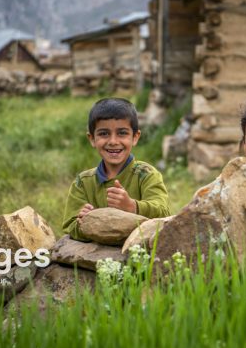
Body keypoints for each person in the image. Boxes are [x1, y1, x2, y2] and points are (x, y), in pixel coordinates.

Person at [62, 97, 171, 241]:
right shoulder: (83, 182)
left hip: (138, 253)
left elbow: (164, 213)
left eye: (122, 133)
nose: (113, 141)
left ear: (135, 137)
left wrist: (132, 206)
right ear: (92, 139)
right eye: (104, 133)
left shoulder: (146, 175)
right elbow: (69, 224)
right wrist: (85, 223)